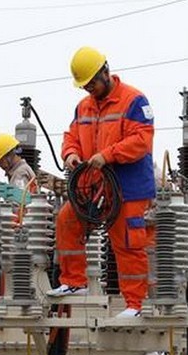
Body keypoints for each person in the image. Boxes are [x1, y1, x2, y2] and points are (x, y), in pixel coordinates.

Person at [47, 46, 155, 319]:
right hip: (94, 188)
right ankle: (74, 282)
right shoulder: (84, 106)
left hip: (128, 189)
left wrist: (107, 156)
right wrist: (70, 153)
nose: (89, 89)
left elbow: (141, 141)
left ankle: (136, 305)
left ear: (105, 71)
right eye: (84, 86)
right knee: (68, 220)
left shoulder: (134, 100)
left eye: (92, 83)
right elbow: (71, 135)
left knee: (128, 245)